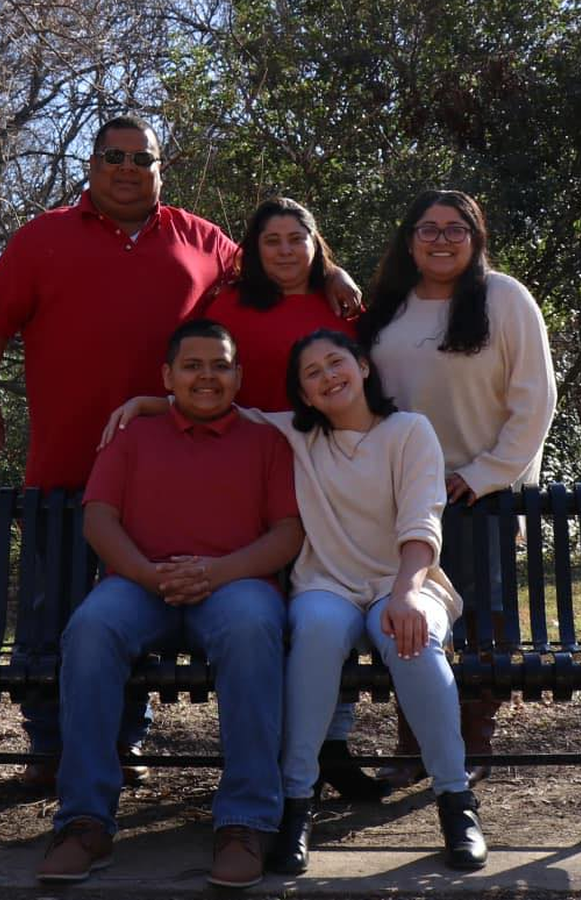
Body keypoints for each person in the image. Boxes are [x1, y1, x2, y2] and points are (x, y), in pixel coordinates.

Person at [0, 116, 361, 789]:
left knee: (141, 606)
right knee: (54, 611)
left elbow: (281, 261)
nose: (127, 168)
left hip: (166, 471)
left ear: (160, 168)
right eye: (113, 156)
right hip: (65, 462)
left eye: (140, 158)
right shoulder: (42, 237)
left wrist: (336, 273)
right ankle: (50, 744)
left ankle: (126, 740)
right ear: (92, 164)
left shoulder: (201, 239)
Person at [103, 330, 488, 873]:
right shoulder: (296, 435)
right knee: (313, 635)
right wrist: (152, 403)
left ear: (362, 367)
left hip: (402, 581)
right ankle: (297, 803)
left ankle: (455, 801)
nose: (328, 377)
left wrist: (405, 594)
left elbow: (422, 521)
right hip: (327, 586)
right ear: (304, 395)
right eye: (312, 373)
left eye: (337, 363)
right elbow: (222, 407)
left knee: (414, 640)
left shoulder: (409, 431)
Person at [36, 320, 303, 889]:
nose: (207, 377)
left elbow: (286, 533)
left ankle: (246, 822)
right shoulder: (131, 437)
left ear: (238, 375)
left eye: (220, 366)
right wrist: (149, 575)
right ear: (167, 376)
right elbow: (99, 519)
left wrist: (215, 572)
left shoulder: (267, 442)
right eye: (192, 365)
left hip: (235, 585)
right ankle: (85, 821)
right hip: (139, 584)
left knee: (255, 629)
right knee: (90, 630)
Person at [357, 189, 557, 788]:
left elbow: (535, 400)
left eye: (455, 229)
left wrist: (485, 473)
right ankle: (413, 745)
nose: (441, 240)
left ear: (475, 238)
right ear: (409, 240)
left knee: (482, 622)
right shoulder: (386, 307)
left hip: (478, 492)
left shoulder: (504, 298)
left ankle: (473, 743)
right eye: (428, 228)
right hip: (399, 493)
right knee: (407, 618)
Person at [206, 197, 383, 802]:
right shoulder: (229, 306)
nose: (284, 250)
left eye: (295, 238)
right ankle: (265, 753)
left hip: (333, 476)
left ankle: (331, 745)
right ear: (253, 250)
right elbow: (203, 375)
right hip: (251, 473)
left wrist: (336, 277)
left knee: (328, 607)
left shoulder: (344, 306)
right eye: (271, 240)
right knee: (268, 612)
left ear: (315, 243)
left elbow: (366, 385)